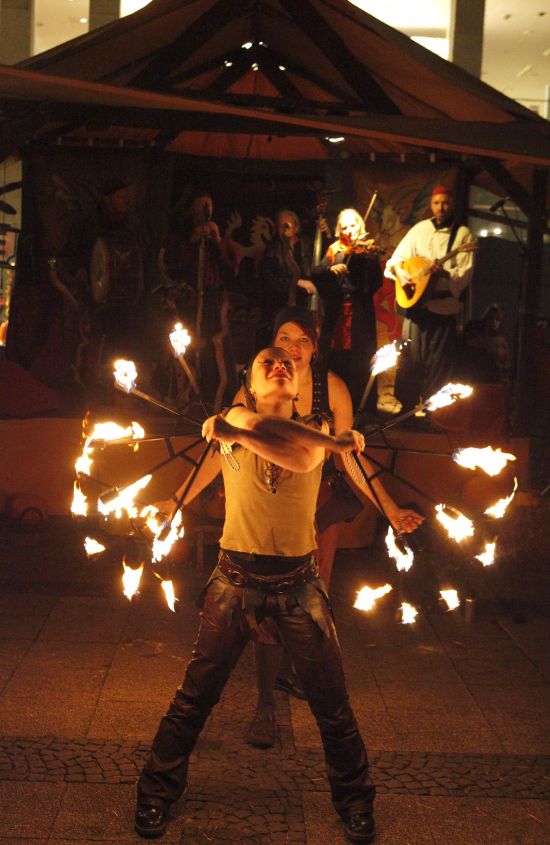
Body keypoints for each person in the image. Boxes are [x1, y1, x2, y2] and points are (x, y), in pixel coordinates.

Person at [135, 347, 377, 843]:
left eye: (288, 362)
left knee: (332, 705)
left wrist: (322, 440)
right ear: (250, 383)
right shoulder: (238, 414)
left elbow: (301, 456)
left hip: (299, 584)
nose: (280, 365)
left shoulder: (309, 429)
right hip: (235, 580)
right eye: (268, 361)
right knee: (194, 697)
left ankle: (355, 803)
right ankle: (155, 792)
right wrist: (178, 495)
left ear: (300, 383)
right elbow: (264, 432)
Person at [236, 307, 424, 750]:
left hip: (318, 503)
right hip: (268, 504)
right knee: (266, 604)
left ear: (315, 348)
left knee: (311, 599)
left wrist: (390, 509)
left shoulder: (331, 388)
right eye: (284, 338)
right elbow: (231, 444)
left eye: (303, 340)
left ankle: (302, 682)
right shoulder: (255, 382)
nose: (292, 348)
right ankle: (265, 704)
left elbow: (348, 455)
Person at [384, 186, 476, 411]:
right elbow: (395, 261)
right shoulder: (420, 229)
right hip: (416, 307)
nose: (440, 208)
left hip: (443, 308)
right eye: (436, 203)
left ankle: (434, 413)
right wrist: (401, 273)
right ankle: (407, 410)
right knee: (409, 358)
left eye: (445, 203)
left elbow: (464, 275)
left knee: (438, 363)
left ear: (452, 204)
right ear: (431, 205)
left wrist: (443, 273)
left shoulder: (462, 235)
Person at [158, 192, 237, 408]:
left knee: (213, 345)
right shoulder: (182, 237)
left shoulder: (216, 238)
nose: (205, 211)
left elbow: (229, 268)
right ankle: (184, 390)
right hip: (190, 301)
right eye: (201, 207)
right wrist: (193, 241)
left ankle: (212, 392)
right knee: (191, 343)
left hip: (212, 301)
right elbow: (175, 265)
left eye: (208, 206)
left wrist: (217, 240)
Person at [311, 208, 383, 409]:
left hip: (360, 312)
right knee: (335, 358)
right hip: (337, 313)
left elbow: (374, 284)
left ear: (360, 226)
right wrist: (330, 270)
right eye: (344, 227)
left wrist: (370, 260)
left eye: (353, 225)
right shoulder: (335, 249)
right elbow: (316, 274)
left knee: (361, 359)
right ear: (339, 230)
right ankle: (333, 405)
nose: (349, 231)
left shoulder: (367, 251)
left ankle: (362, 408)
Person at [258, 209, 314, 317]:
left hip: (305, 302)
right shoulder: (272, 250)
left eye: (287, 225)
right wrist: (297, 282)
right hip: (282, 305)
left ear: (296, 227)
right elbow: (271, 279)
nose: (284, 229)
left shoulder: (306, 245)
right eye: (280, 226)